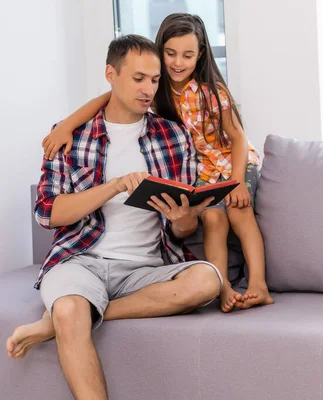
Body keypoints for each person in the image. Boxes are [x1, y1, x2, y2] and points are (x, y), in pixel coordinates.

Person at [6, 35, 222, 400]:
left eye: (154, 80)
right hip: (81, 260)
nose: (148, 89)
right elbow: (48, 213)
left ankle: (62, 322)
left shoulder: (174, 136)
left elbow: (183, 231)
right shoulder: (70, 136)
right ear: (111, 74)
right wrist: (114, 186)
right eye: (138, 78)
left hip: (146, 267)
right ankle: (71, 315)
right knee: (71, 307)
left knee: (206, 281)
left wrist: (183, 218)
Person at [42, 13, 273, 313]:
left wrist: (239, 181)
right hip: (202, 171)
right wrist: (66, 126)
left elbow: (238, 138)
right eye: (171, 53)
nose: (178, 62)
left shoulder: (209, 91)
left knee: (238, 211)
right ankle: (224, 287)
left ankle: (259, 284)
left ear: (200, 54)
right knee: (214, 219)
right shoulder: (156, 92)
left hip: (232, 163)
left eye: (188, 55)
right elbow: (108, 97)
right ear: (161, 51)